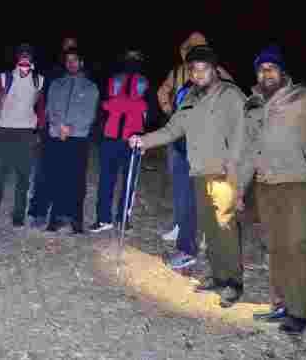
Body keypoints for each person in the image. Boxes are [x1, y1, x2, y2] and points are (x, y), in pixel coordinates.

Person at [130, 44, 246, 308]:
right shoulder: (190, 97)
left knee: (225, 228)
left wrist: (236, 176)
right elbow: (173, 129)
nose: (198, 74)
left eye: (203, 69)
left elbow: (242, 136)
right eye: (193, 70)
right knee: (210, 228)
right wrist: (144, 140)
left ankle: (233, 282)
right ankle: (219, 276)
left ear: (214, 69)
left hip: (223, 172)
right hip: (199, 171)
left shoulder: (230, 95)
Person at [239, 45, 306, 334]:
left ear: (282, 71)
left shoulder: (304, 97)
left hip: (298, 181)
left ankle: (298, 312)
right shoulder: (252, 103)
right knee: (274, 247)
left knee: (298, 245)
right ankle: (280, 305)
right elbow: (249, 150)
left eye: (271, 67)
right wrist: (239, 188)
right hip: (265, 183)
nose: (266, 73)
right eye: (261, 69)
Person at [156, 31, 232, 242]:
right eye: (192, 49)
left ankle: (207, 232)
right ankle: (181, 225)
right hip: (179, 134)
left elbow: (230, 96)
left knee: (206, 188)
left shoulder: (217, 72)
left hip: (206, 139)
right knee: (180, 184)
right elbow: (162, 91)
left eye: (201, 49)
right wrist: (169, 110)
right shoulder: (177, 71)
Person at [30, 48, 99, 233]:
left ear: (81, 62)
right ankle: (56, 218)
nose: (71, 63)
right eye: (68, 60)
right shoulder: (57, 84)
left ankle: (75, 219)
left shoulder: (90, 87)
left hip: (78, 138)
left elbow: (89, 114)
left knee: (76, 180)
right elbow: (50, 109)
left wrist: (71, 128)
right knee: (55, 177)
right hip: (56, 135)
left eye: (75, 60)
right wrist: (59, 126)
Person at [90, 49, 149, 233]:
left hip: (133, 139)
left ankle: (123, 218)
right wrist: (129, 105)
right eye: (129, 58)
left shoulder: (144, 82)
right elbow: (104, 105)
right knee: (106, 180)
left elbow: (147, 109)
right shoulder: (113, 80)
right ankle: (103, 219)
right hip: (110, 137)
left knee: (129, 182)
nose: (131, 62)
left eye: (135, 59)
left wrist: (145, 139)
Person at [0, 43, 45, 227]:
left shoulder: (39, 80)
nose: (25, 58)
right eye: (22, 55)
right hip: (5, 130)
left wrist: (39, 130)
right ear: (17, 57)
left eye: (28, 55)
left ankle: (18, 216)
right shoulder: (4, 77)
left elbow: (41, 108)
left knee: (23, 177)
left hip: (26, 133)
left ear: (32, 58)